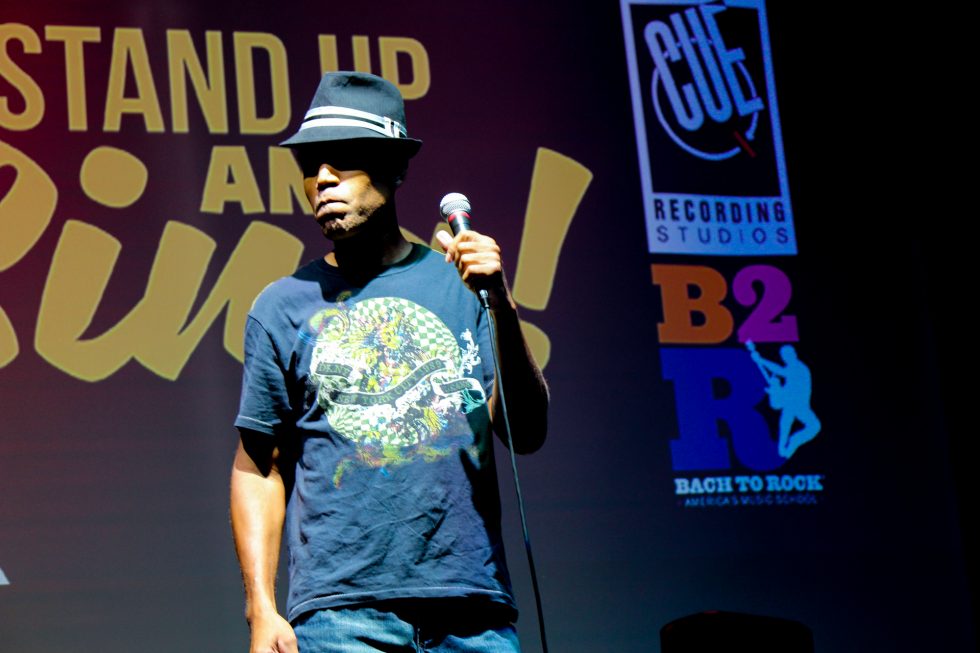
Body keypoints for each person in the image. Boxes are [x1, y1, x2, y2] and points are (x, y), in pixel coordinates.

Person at [229, 71, 548, 653]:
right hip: (342, 618)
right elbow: (259, 467)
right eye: (310, 165)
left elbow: (525, 433)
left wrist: (500, 302)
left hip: (472, 614)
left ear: (395, 168)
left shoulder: (460, 286)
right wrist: (261, 610)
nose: (323, 178)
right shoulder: (281, 307)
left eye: (344, 160)